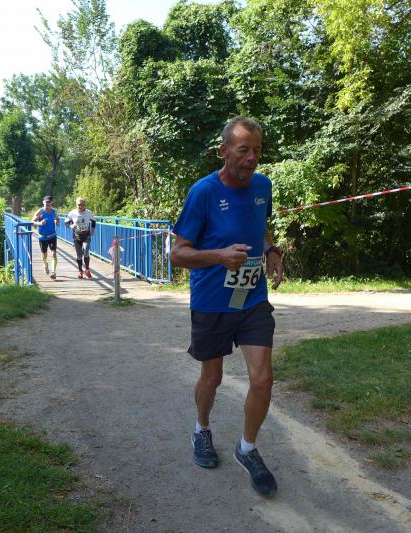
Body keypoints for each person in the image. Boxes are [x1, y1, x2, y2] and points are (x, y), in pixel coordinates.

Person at [170, 116, 284, 497]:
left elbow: (260, 224)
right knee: (213, 377)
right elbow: (177, 254)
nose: (252, 158)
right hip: (213, 301)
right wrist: (218, 256)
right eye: (243, 150)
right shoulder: (203, 192)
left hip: (252, 298)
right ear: (224, 151)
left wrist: (271, 250)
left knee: (263, 379)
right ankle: (201, 429)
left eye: (257, 151)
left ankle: (247, 449)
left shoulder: (263, 186)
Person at [64, 197, 97, 279]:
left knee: (86, 252)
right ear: (76, 204)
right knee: (79, 255)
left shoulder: (88, 212)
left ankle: (87, 269)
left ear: (84, 205)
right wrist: (71, 225)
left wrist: (92, 230)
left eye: (82, 205)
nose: (80, 206)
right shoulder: (72, 213)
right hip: (77, 236)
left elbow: (93, 221)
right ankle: (80, 271)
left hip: (86, 235)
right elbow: (66, 222)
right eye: (79, 205)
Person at [31, 196, 59, 279]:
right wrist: (40, 223)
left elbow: (57, 218)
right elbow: (32, 221)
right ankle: (45, 265)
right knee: (44, 255)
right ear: (43, 202)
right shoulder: (40, 211)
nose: (48, 205)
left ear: (51, 203)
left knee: (53, 253)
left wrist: (57, 221)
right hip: (43, 237)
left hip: (52, 235)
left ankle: (53, 272)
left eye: (49, 203)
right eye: (46, 203)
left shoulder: (54, 211)